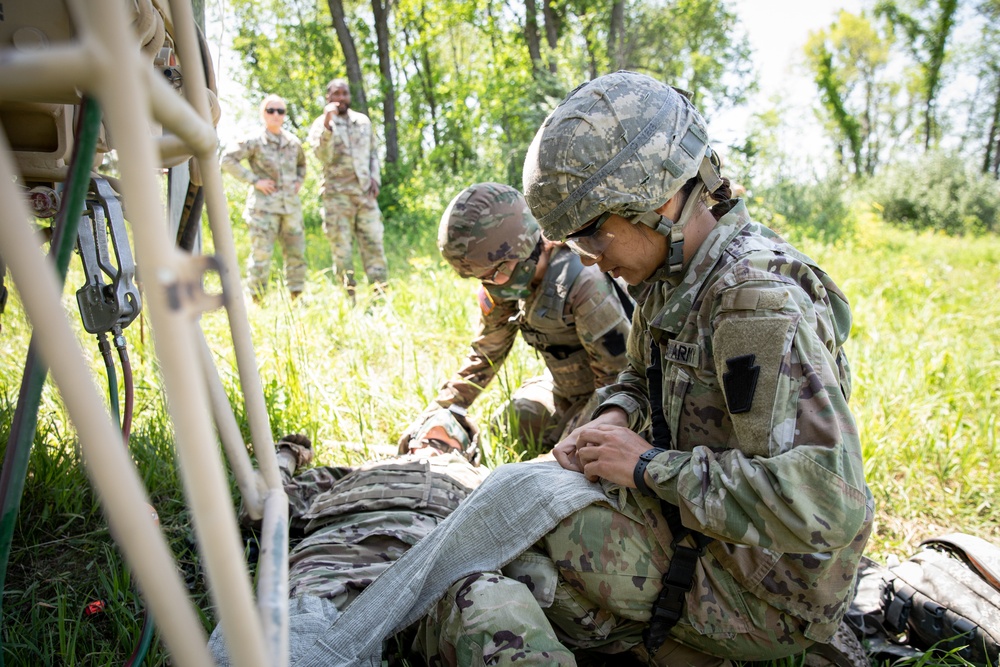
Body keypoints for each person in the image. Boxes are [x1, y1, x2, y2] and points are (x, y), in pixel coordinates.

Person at [305, 71, 873, 667]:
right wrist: (608, 415)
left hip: (766, 594)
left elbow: (828, 504)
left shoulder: (754, 303)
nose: (589, 256)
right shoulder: (673, 277)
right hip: (714, 535)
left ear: (655, 201)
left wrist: (649, 467)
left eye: (594, 235)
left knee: (496, 559)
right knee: (503, 540)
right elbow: (635, 375)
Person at [207, 408, 487, 665]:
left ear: (466, 453)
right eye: (427, 440)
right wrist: (287, 455)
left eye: (446, 444)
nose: (432, 449)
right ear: (411, 442)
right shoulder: (353, 473)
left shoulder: (482, 478)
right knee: (292, 640)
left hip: (440, 581)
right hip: (333, 571)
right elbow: (261, 505)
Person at [400, 182, 633, 453]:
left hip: (615, 397)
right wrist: (437, 412)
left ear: (522, 252)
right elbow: (486, 353)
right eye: (481, 278)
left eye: (492, 274)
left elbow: (617, 381)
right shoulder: (506, 282)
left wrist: (575, 438)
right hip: (565, 391)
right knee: (507, 425)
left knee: (569, 462)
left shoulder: (582, 282)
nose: (488, 285)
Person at [307, 78, 387, 303]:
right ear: (328, 98)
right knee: (342, 251)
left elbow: (373, 153)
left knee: (374, 245)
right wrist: (327, 124)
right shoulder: (322, 124)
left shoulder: (362, 121)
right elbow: (322, 155)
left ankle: (380, 299)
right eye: (336, 94)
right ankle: (349, 299)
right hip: (336, 198)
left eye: (345, 93)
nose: (341, 98)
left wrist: (375, 179)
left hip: (364, 196)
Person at [221, 94, 307, 301]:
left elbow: (302, 165)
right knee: (261, 256)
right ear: (263, 114)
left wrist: (299, 181)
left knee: (296, 255)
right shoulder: (254, 141)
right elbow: (227, 159)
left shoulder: (293, 142)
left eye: (280, 111)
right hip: (264, 208)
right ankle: (257, 300)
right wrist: (254, 180)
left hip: (290, 209)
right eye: (271, 110)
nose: (276, 115)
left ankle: (296, 296)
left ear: (284, 115)